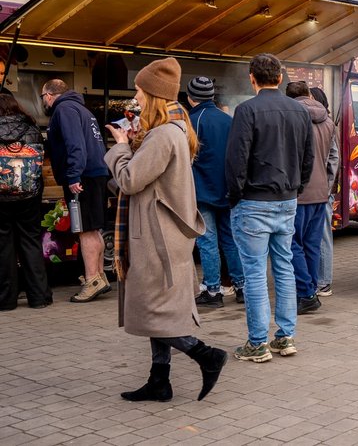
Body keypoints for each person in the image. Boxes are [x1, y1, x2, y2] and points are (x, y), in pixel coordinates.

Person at [104, 57, 227, 403]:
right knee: (157, 308)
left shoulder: (162, 135)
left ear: (153, 96)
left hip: (157, 238)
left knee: (151, 311)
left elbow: (129, 179)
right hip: (162, 235)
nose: (136, 97)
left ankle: (206, 355)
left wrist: (120, 147)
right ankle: (159, 381)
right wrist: (131, 143)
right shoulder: (173, 130)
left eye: (140, 91)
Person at [226, 53, 315, 362]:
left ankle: (257, 342)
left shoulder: (246, 110)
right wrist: (297, 187)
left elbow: (237, 159)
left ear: (253, 78)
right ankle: (285, 337)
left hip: (253, 201)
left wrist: (234, 195)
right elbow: (308, 158)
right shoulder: (299, 111)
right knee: (284, 267)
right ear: (280, 77)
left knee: (254, 274)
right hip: (286, 200)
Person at [42, 79, 111, 303]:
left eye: (43, 97)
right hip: (96, 174)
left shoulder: (64, 110)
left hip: (83, 177)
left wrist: (73, 175)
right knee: (95, 228)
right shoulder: (83, 109)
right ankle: (99, 276)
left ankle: (91, 280)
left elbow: (75, 143)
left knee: (86, 229)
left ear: (50, 95)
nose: (44, 102)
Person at [187, 76, 245, 309]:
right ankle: (242, 287)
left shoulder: (191, 121)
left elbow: (186, 158)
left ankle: (212, 290)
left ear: (190, 98)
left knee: (207, 241)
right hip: (228, 190)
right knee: (230, 240)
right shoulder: (228, 120)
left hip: (203, 191)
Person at [286, 81, 335, 314]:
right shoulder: (327, 120)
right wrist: (327, 186)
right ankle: (311, 289)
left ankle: (305, 292)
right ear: (308, 94)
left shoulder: (291, 118)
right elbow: (333, 158)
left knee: (291, 243)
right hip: (320, 192)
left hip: (297, 192)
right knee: (312, 245)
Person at [0, 94, 52, 310]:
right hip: (29, 195)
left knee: (3, 246)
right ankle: (39, 297)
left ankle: (6, 299)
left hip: (1, 197)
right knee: (31, 242)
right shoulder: (32, 129)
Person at [309, 86, 339, 297]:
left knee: (322, 235)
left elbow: (334, 159)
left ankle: (324, 281)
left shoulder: (327, 124)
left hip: (321, 191)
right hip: (320, 189)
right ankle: (319, 280)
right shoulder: (326, 123)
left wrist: (328, 187)